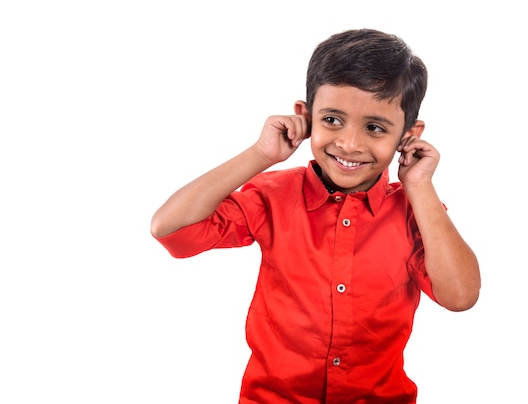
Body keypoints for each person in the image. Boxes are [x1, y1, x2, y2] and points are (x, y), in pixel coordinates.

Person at [150, 28, 481, 403]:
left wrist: (420, 186)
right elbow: (171, 231)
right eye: (332, 120)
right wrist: (261, 155)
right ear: (306, 117)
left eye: (374, 127)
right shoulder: (273, 196)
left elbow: (460, 296)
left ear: (408, 135)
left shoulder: (415, 212)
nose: (349, 144)